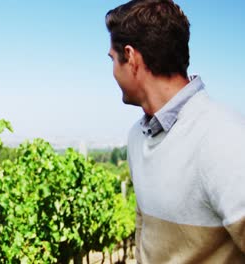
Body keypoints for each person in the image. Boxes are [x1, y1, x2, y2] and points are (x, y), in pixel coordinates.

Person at [105, 0, 245, 263]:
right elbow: (143, 229)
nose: (111, 71)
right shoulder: (137, 137)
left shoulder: (224, 138)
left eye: (112, 59)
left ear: (131, 57)